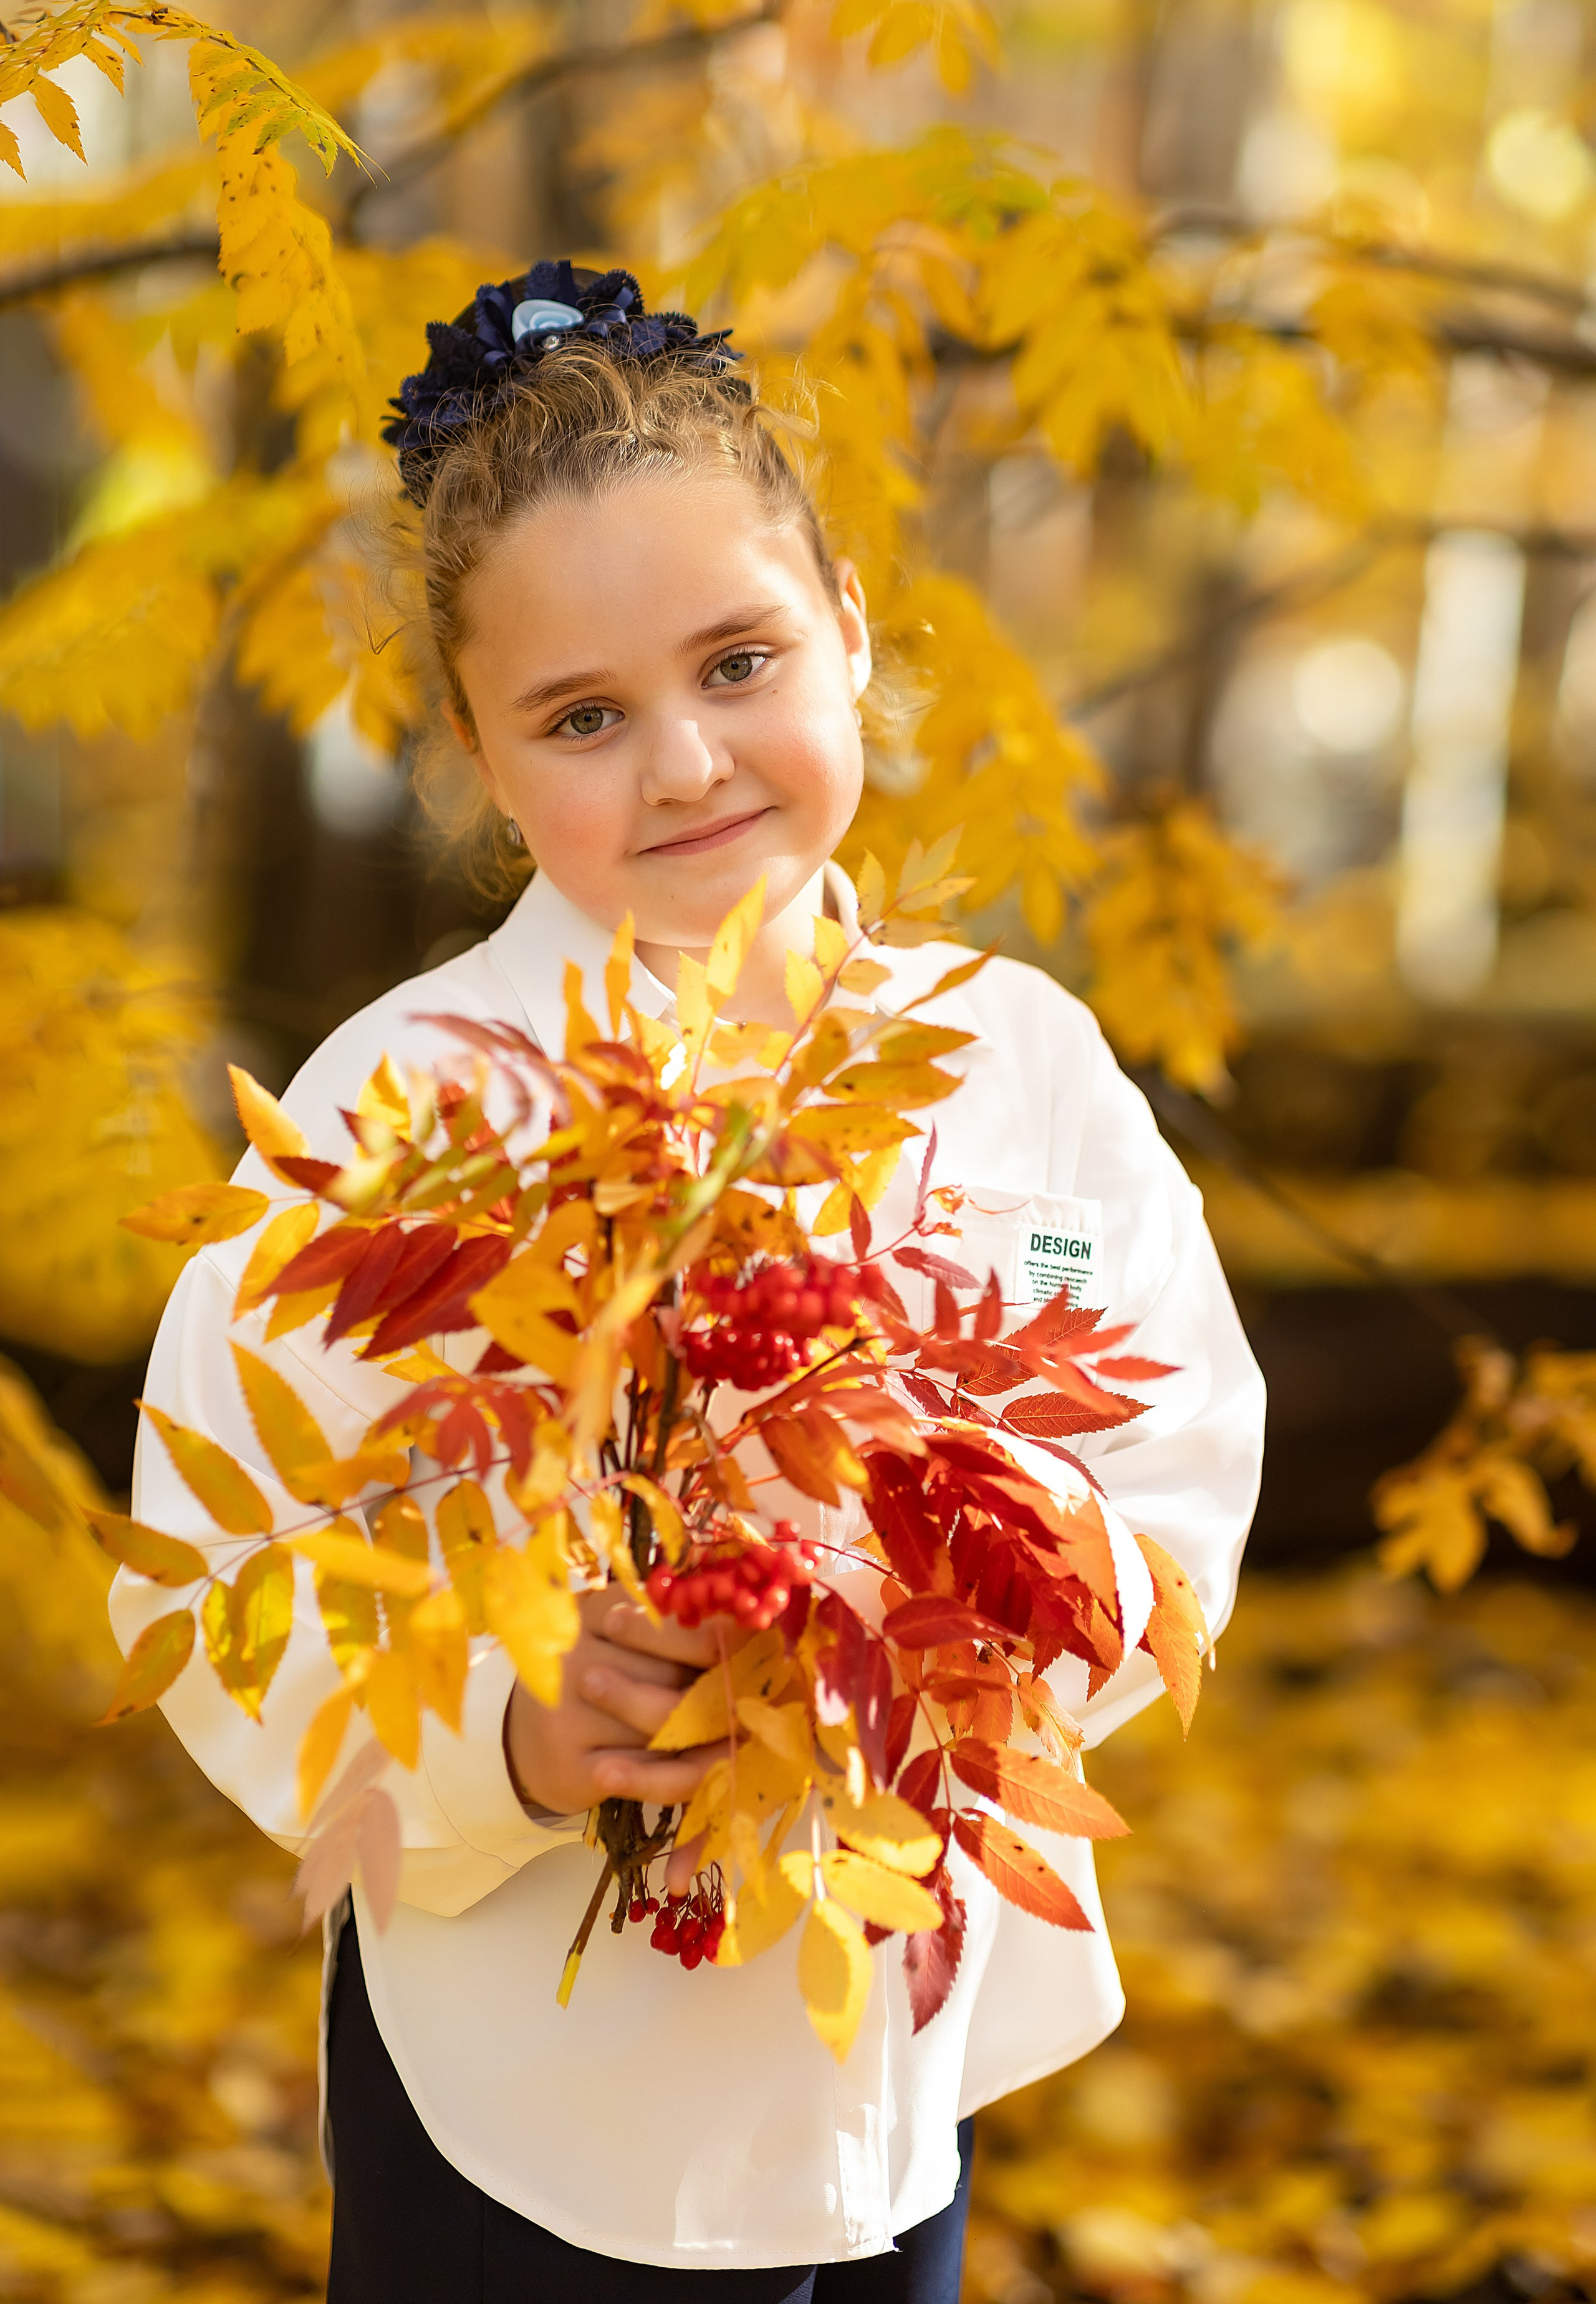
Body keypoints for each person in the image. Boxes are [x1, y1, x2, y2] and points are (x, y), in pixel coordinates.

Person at [109, 260, 1265, 2303]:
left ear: (847, 623)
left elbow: (1178, 1445)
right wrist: (506, 1726)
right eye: (582, 715)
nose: (683, 763)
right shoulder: (402, 1104)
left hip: (884, 2028)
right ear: (475, 751)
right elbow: (217, 1560)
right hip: (527, 2087)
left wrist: (1010, 1588)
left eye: (738, 660)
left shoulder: (1018, 1057)